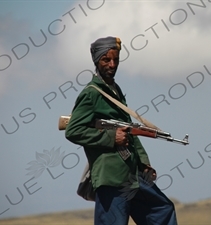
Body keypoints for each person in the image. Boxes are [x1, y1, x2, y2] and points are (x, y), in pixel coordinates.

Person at [65, 36, 178, 225]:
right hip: (111, 178)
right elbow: (73, 130)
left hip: (132, 175)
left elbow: (130, 131)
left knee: (162, 211)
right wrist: (111, 138)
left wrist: (144, 163)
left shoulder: (114, 90)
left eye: (116, 60)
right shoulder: (92, 93)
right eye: (106, 59)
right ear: (96, 61)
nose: (112, 64)